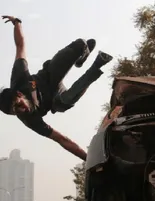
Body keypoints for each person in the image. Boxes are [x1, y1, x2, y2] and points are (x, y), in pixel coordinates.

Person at [0, 15, 113, 161]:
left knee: (80, 44)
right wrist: (89, 159)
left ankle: (81, 56)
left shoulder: (19, 77)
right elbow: (62, 140)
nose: (22, 110)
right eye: (16, 112)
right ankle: (97, 65)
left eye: (18, 105)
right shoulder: (31, 120)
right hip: (56, 100)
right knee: (67, 98)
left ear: (19, 94)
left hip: (50, 75)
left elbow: (20, 46)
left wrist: (17, 23)